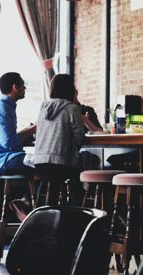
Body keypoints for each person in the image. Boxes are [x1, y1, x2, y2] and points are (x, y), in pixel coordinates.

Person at [34, 73, 98, 205]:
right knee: (82, 168)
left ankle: (44, 211)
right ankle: (77, 211)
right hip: (61, 163)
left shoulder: (43, 107)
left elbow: (37, 133)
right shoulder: (72, 108)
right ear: (70, 89)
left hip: (40, 162)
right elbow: (79, 137)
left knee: (53, 181)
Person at [0, 72, 36, 177]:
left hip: (9, 157)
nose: (25, 87)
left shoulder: (7, 106)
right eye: (23, 84)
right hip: (2, 160)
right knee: (44, 162)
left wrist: (31, 129)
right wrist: (33, 129)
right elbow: (8, 142)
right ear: (15, 87)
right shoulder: (2, 108)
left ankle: (33, 193)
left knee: (44, 161)